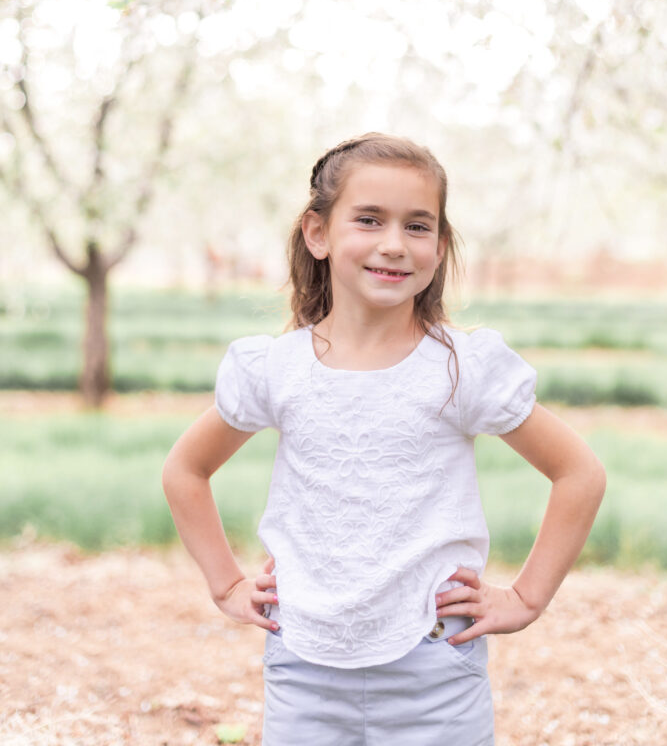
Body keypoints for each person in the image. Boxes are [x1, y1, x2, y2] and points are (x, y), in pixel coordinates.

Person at [162, 132, 606, 745]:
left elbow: (579, 473)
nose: (394, 245)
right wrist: (227, 583)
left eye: (418, 226)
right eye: (369, 220)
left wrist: (527, 597)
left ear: (440, 245)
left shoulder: (461, 368)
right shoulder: (277, 368)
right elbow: (185, 470)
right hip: (305, 672)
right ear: (318, 233)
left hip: (436, 672)